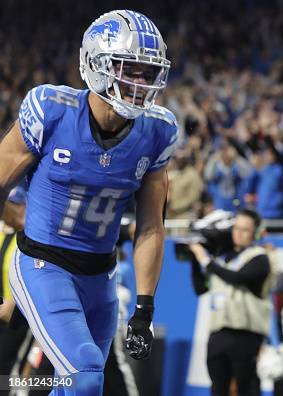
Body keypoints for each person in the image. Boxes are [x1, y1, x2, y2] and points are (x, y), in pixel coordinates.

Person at [0, 10, 177, 395]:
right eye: (130, 69)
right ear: (97, 64)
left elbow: (151, 226)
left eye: (148, 73)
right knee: (85, 376)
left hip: (101, 277)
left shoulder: (157, 131)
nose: (140, 83)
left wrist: (144, 307)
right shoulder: (51, 110)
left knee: (77, 386)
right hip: (43, 263)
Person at [189, 209, 274, 396]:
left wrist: (205, 260)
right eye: (236, 228)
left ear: (255, 233)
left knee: (246, 387)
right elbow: (200, 289)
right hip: (219, 332)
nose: (239, 233)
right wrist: (194, 261)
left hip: (246, 333)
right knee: (218, 386)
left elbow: (237, 277)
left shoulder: (259, 258)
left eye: (245, 229)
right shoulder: (222, 258)